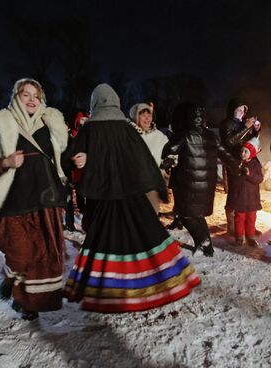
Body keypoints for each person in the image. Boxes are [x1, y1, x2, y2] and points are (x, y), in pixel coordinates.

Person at [63, 84, 200, 313]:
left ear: (94, 103)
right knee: (142, 237)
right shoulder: (126, 129)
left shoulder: (89, 129)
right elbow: (144, 160)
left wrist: (78, 160)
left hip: (103, 198)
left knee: (105, 243)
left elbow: (69, 159)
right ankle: (153, 284)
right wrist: (158, 186)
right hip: (131, 196)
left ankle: (108, 292)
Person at [0, 78, 68, 320]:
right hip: (15, 200)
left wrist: (78, 158)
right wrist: (6, 162)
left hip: (46, 198)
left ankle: (28, 302)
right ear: (16, 97)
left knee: (43, 255)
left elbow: (65, 157)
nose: (31, 99)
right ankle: (14, 278)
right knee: (19, 251)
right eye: (25, 94)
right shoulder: (2, 124)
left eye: (36, 95)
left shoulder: (51, 124)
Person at [162, 102, 241, 257]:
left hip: (189, 182)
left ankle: (203, 239)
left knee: (184, 214)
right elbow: (225, 154)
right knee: (197, 215)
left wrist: (169, 148)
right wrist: (237, 167)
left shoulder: (187, 135)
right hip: (207, 184)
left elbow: (170, 149)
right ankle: (206, 245)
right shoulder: (211, 136)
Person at [219, 98, 260, 235]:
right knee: (234, 193)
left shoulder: (242, 123)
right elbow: (230, 141)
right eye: (239, 109)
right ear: (232, 110)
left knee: (248, 193)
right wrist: (246, 127)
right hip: (233, 162)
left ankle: (248, 226)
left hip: (245, 161)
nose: (242, 112)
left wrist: (255, 131)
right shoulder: (226, 123)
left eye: (244, 109)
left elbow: (247, 141)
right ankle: (233, 226)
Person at [129, 102, 169, 213]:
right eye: (143, 115)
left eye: (149, 115)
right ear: (136, 117)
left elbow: (168, 159)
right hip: (133, 187)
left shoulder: (160, 137)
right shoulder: (129, 136)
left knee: (151, 218)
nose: (147, 118)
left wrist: (167, 166)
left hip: (152, 187)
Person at [225, 137, 263, 247]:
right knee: (239, 218)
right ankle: (239, 237)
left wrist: (249, 174)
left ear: (252, 153)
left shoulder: (255, 164)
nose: (243, 153)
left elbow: (259, 179)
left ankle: (250, 237)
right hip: (240, 197)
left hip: (252, 197)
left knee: (251, 218)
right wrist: (238, 173)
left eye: (246, 151)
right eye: (242, 151)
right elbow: (233, 178)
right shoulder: (237, 163)